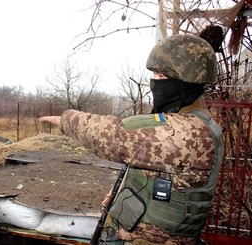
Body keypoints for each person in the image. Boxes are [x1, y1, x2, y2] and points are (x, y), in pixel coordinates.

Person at [39, 34, 223, 245]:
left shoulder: (191, 133)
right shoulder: (192, 122)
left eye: (160, 75)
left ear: (184, 82)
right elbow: (147, 162)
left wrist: (65, 119)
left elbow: (116, 137)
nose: (154, 82)